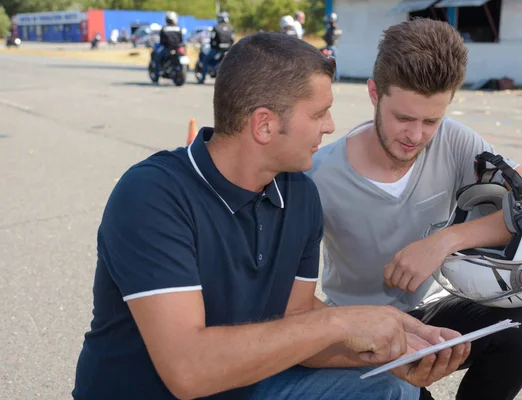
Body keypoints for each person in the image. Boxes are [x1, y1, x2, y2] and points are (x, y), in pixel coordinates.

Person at [72, 31, 470, 400]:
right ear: (264, 124)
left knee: (391, 389)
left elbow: (295, 319)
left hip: (242, 387)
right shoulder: (152, 195)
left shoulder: (300, 195)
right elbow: (187, 369)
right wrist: (341, 323)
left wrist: (394, 350)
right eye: (318, 115)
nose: (330, 127)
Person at [306, 19, 522, 400]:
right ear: (373, 93)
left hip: (429, 313)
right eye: (403, 118)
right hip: (358, 324)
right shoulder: (320, 175)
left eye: (431, 120)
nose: (416, 136)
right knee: (403, 392)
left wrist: (446, 241)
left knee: (521, 334)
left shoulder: (456, 141)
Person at [199, 11, 235, 84]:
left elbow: (212, 39)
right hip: (228, 50)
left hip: (217, 50)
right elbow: (232, 39)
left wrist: (213, 46)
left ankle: (203, 78)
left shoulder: (216, 27)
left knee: (205, 59)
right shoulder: (231, 28)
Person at [153, 11, 184, 82]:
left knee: (157, 59)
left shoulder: (164, 28)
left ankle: (156, 76)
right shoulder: (178, 28)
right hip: (177, 49)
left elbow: (161, 41)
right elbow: (181, 40)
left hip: (167, 49)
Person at [322, 13, 342, 81]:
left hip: (331, 47)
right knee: (333, 63)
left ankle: (335, 78)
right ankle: (334, 77)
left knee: (333, 63)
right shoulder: (333, 28)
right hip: (331, 47)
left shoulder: (334, 29)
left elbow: (330, 38)